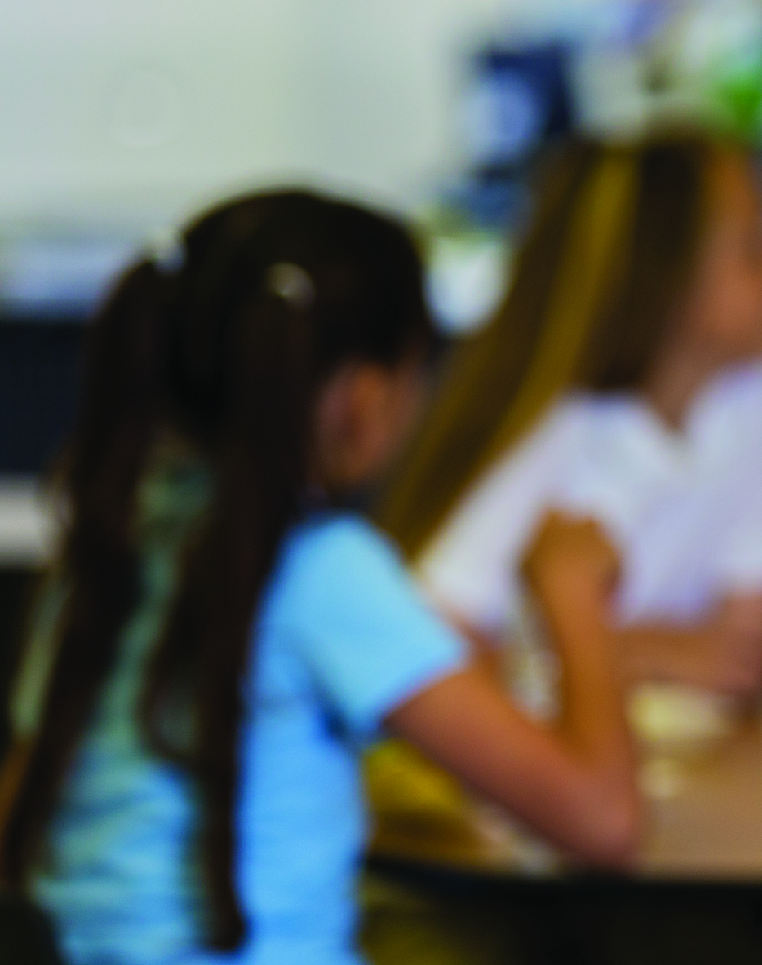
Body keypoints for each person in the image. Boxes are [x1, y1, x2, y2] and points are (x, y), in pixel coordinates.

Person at [0, 192, 638, 965]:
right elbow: (602, 822)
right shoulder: (324, 568)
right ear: (368, 396)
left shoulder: (107, 545)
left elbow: (33, 803)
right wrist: (572, 594)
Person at [377, 129, 762, 704]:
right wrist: (647, 650)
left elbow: (746, 657)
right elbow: (426, 658)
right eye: (758, 248)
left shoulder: (753, 388)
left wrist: (565, 650)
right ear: (664, 277)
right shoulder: (551, 428)